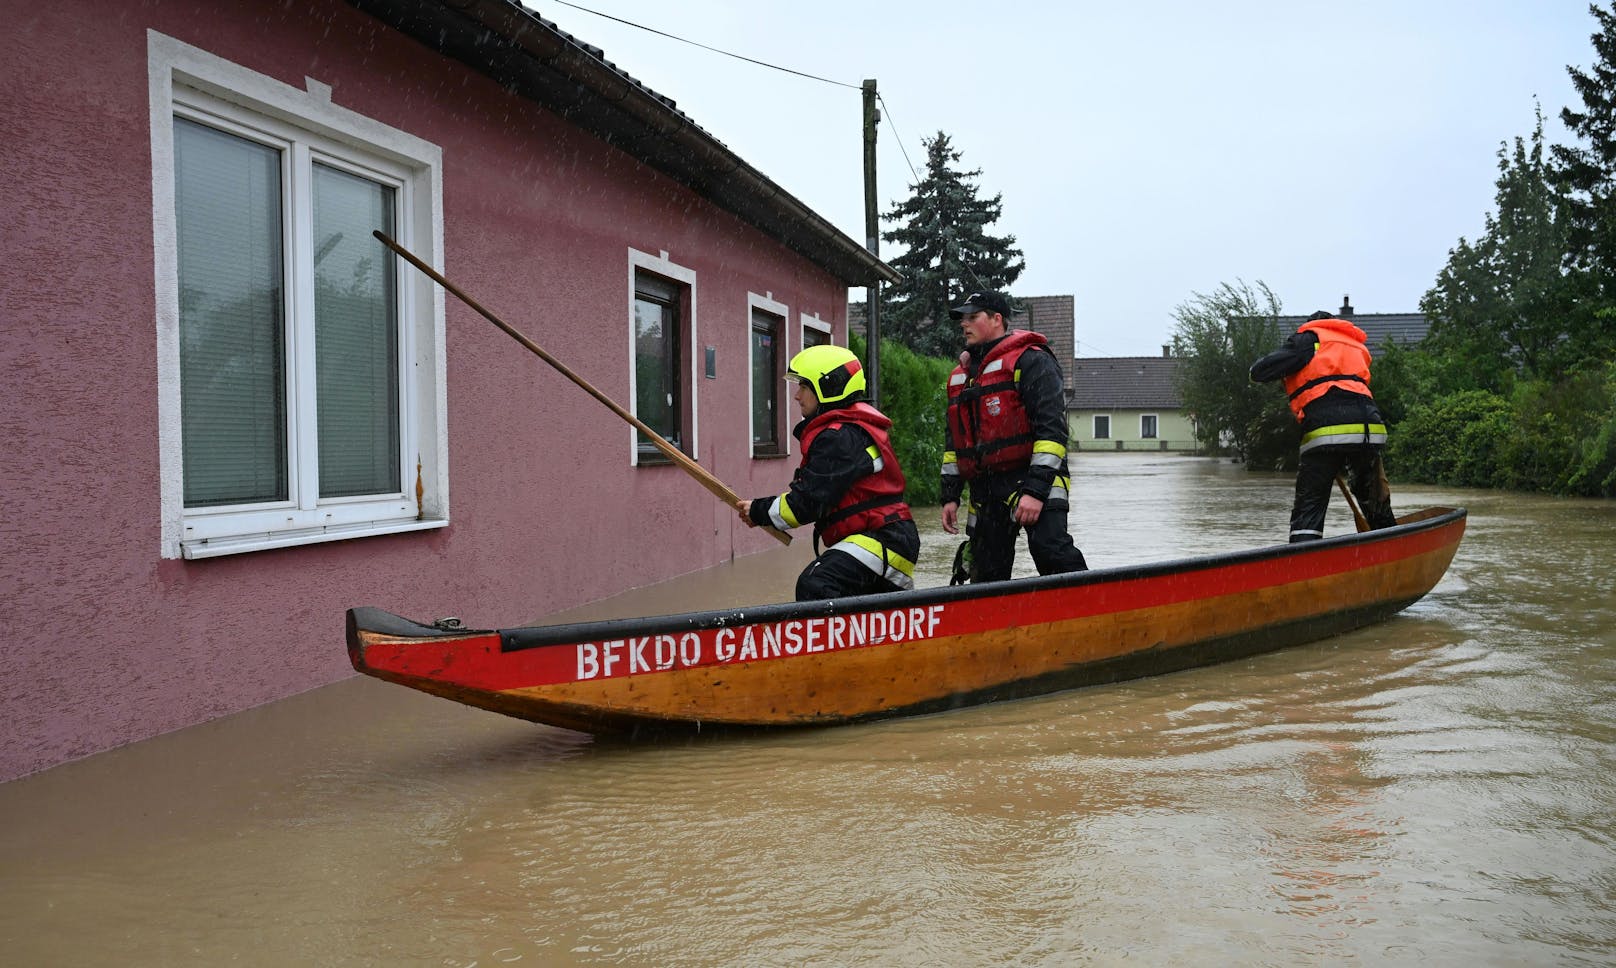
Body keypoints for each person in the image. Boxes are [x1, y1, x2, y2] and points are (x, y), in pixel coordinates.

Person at [737, 345, 921, 601]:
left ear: (828, 387)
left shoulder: (840, 437)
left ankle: (836, 642)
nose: (797, 396)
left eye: (803, 386)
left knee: (816, 583)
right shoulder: (845, 432)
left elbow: (806, 504)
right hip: (882, 539)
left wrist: (758, 511)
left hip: (882, 539)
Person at [940, 290, 1088, 583]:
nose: (964, 324)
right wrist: (950, 496)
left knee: (1051, 552)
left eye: (973, 317)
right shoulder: (962, 376)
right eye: (962, 319)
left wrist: (1034, 492)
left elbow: (1052, 431)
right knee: (985, 571)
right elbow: (955, 443)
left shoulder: (1032, 361)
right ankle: (996, 626)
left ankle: (1093, 613)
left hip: (1035, 477)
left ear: (997, 319)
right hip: (986, 489)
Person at [1250, 310, 1397, 542]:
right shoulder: (1356, 345)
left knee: (1311, 503)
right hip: (1369, 429)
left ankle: (1303, 557)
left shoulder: (1309, 340)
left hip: (1327, 429)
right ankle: (1391, 542)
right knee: (1372, 496)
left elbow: (1260, 372)